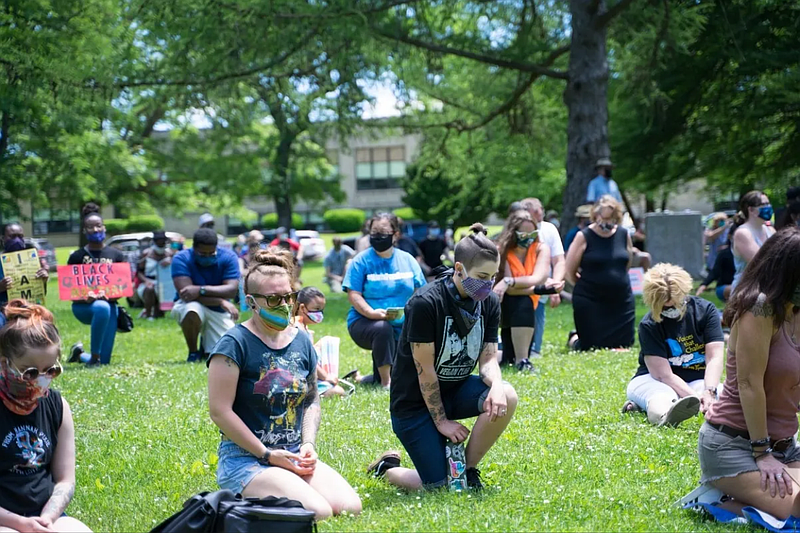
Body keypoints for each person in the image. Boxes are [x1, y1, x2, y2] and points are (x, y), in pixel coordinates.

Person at [207, 249, 361, 520]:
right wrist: (267, 454)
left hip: (293, 453)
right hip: (245, 459)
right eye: (273, 299)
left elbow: (312, 398)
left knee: (349, 507)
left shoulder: (300, 339)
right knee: (319, 512)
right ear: (251, 302)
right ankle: (235, 506)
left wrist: (308, 444)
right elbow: (220, 412)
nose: (284, 305)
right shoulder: (233, 345)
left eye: (288, 297)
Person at [367, 224, 518, 491]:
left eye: (493, 277)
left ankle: (467, 471)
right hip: (413, 406)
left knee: (507, 394)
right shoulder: (425, 303)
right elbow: (425, 370)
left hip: (455, 391)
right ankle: (387, 469)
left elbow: (488, 359)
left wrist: (495, 385)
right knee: (438, 487)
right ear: (459, 269)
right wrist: (442, 422)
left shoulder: (490, 303)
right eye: (481, 276)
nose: (487, 285)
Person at [696, 227, 800, 520]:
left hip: (785, 446)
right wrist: (762, 453)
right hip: (736, 445)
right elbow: (749, 383)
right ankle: (720, 501)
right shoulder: (759, 308)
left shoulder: (797, 310)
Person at [0, 300, 92, 533]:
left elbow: (65, 480)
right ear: (4, 364)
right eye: (30, 372)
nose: (41, 380)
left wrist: (47, 519)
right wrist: (21, 524)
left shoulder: (58, 406)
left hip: (47, 517)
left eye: (51, 370)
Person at [623, 264, 724, 426]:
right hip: (655, 380)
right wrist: (696, 399)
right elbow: (663, 375)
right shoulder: (648, 325)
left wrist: (709, 391)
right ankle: (663, 417)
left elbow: (715, 357)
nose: (671, 310)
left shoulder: (705, 311)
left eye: (676, 304)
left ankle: (641, 407)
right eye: (664, 306)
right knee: (661, 398)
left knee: (724, 394)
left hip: (697, 379)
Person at [343, 213, 426, 388]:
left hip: (402, 323)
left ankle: (363, 378)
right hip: (365, 322)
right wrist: (371, 313)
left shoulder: (408, 260)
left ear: (395, 234)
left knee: (402, 372)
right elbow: (353, 294)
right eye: (374, 232)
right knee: (383, 328)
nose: (378, 236)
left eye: (383, 232)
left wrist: (412, 311)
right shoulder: (361, 261)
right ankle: (386, 383)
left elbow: (421, 290)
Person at [565, 195, 635, 351]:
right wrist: (587, 285)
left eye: (610, 219)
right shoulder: (583, 236)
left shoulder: (624, 234)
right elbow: (569, 271)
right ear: (595, 216)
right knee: (590, 347)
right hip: (590, 299)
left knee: (624, 345)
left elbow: (626, 264)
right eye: (603, 218)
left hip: (620, 299)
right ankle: (574, 338)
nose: (606, 223)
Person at [491, 210, 552, 372]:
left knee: (523, 302)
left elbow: (538, 277)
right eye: (523, 234)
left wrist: (508, 281)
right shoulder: (502, 250)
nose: (528, 237)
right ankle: (521, 360)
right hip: (503, 303)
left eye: (532, 233)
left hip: (525, 302)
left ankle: (520, 359)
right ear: (513, 233)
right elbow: (511, 292)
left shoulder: (541, 249)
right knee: (522, 301)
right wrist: (540, 290)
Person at [171, 228, 240, 363]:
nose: (207, 256)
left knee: (224, 354)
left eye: (211, 253)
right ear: (194, 248)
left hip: (218, 310)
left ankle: (205, 347)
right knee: (192, 310)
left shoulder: (229, 257)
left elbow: (232, 290)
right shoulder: (181, 258)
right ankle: (193, 352)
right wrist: (220, 300)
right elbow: (186, 295)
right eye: (202, 253)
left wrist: (200, 289)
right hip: (192, 304)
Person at [67, 209, 126, 366]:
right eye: (90, 227)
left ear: (104, 227)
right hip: (83, 306)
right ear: (84, 231)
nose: (95, 230)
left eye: (98, 226)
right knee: (101, 306)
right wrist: (86, 297)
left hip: (111, 305)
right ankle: (94, 357)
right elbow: (70, 290)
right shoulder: (77, 257)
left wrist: (110, 295)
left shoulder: (117, 255)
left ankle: (81, 355)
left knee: (105, 362)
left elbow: (122, 287)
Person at [520, 198, 566, 358]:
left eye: (541, 212)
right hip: (521, 283)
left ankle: (534, 349)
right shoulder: (517, 230)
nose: (539, 217)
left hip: (542, 285)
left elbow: (559, 260)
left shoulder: (549, 229)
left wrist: (555, 284)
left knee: (538, 315)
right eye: (535, 214)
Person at [293, 287, 349, 398]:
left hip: (309, 377)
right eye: (316, 309)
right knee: (338, 391)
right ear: (302, 307)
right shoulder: (296, 329)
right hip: (300, 381)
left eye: (321, 309)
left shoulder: (305, 329)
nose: (319, 313)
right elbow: (308, 360)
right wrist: (326, 376)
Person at [0, 224, 49, 325]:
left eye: (20, 236)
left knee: (46, 321)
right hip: (4, 310)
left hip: (28, 308)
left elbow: (39, 294)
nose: (17, 240)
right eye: (12, 236)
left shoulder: (31, 260)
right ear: (3, 238)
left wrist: (43, 280)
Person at [731, 191, 775, 291]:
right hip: (746, 292)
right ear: (751, 209)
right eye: (763, 204)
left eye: (768, 203)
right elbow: (760, 263)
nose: (768, 207)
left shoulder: (771, 231)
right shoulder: (742, 233)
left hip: (768, 289)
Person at [136, 231, 173, 320]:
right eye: (159, 241)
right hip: (149, 281)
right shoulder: (146, 254)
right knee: (150, 289)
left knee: (159, 315)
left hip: (164, 283)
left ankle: (158, 311)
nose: (161, 243)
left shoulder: (169, 254)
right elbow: (139, 272)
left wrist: (171, 261)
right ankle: (148, 314)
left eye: (163, 241)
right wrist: (146, 281)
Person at [696, 238, 735, 303]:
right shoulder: (725, 254)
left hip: (743, 287)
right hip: (724, 287)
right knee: (739, 289)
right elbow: (715, 272)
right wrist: (704, 285)